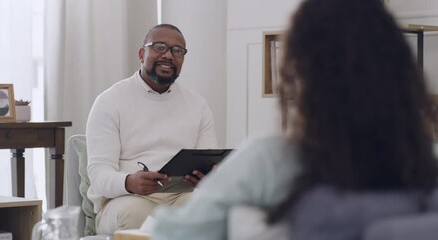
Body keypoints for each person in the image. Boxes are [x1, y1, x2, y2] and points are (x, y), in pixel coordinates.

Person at [151, 0, 438, 239]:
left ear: (299, 74)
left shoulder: (268, 162)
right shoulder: (427, 162)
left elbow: (176, 235)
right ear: (402, 72)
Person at [86, 23, 218, 235]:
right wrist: (129, 182)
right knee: (137, 214)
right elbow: (98, 173)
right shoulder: (110, 101)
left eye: (177, 51)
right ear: (141, 53)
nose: (168, 55)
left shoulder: (198, 105)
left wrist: (206, 178)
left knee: (213, 211)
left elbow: (208, 163)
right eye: (159, 47)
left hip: (180, 195)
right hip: (126, 198)